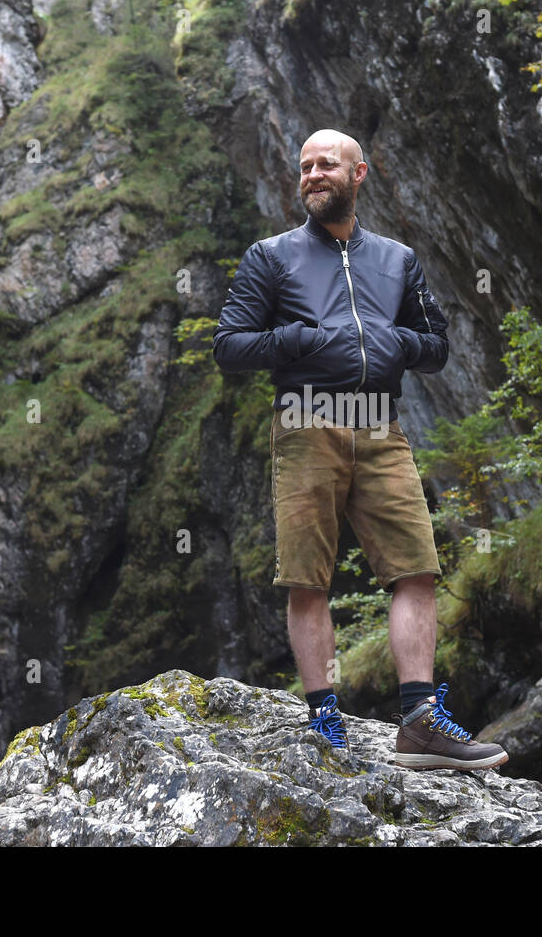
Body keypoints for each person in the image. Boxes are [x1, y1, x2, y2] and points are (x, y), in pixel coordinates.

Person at [213, 128, 508, 771]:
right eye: (305, 167)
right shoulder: (271, 257)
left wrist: (397, 342)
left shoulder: (397, 260)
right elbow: (229, 346)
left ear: (359, 173)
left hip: (380, 425)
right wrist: (294, 339)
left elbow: (436, 344)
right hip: (306, 422)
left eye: (327, 165)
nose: (313, 174)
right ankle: (324, 723)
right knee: (306, 577)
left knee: (416, 570)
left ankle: (420, 724)